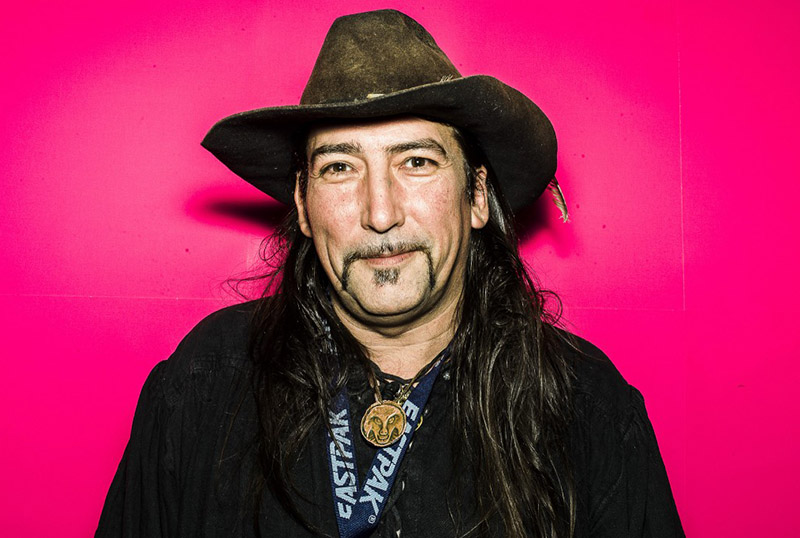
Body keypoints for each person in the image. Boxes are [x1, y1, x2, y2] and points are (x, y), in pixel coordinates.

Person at [96, 9, 684, 538]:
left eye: (417, 161)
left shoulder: (583, 406)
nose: (380, 213)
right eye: (340, 167)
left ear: (477, 195)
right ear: (303, 205)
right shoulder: (205, 382)